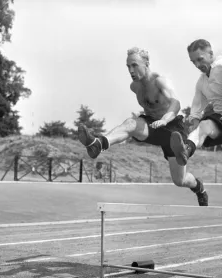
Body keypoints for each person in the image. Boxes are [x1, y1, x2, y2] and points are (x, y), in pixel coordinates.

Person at [78, 47, 208, 206]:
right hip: (153, 125)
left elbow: (175, 103)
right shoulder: (135, 87)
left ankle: (199, 188)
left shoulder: (160, 81)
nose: (130, 70)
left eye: (134, 65)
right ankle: (98, 144)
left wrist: (165, 120)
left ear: (146, 63)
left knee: (180, 180)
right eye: (128, 66)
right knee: (130, 123)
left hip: (173, 129)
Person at [170, 39, 222, 168]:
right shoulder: (201, 83)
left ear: (211, 54)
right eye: (193, 62)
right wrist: (194, 124)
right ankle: (186, 150)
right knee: (204, 125)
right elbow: (196, 109)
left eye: (200, 59)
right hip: (220, 119)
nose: (197, 65)